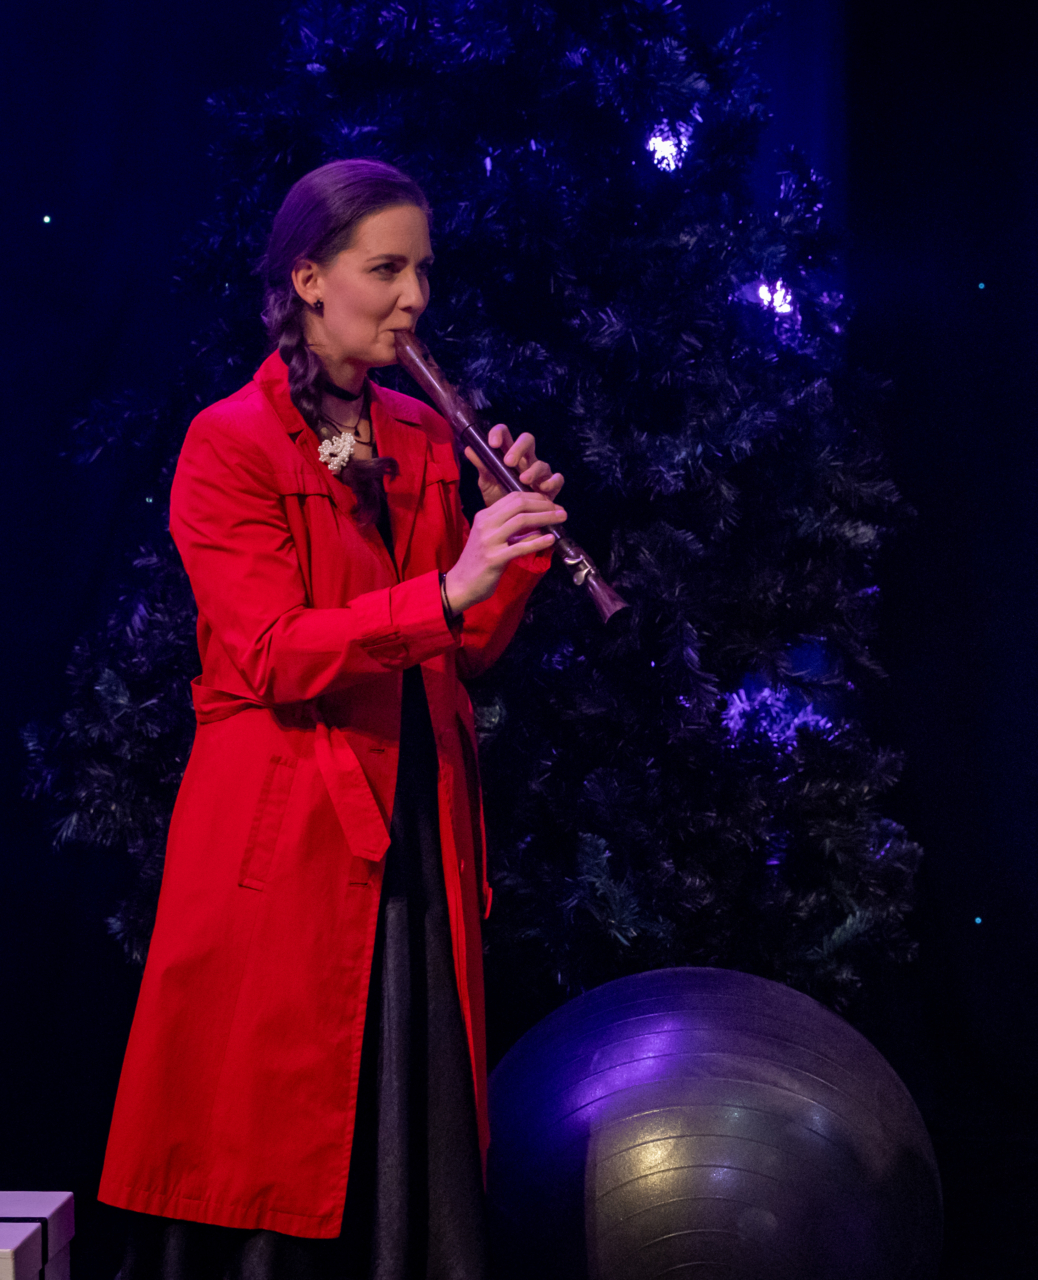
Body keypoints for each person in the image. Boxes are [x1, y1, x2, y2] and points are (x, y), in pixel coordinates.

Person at [100, 158, 568, 1278]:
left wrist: (509, 553)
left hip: (416, 814)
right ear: (309, 278)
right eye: (386, 269)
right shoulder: (229, 442)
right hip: (290, 826)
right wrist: (446, 587)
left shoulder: (423, 435)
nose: (415, 298)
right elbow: (272, 651)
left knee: (412, 1111)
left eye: (424, 271)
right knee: (274, 1126)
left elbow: (460, 648)